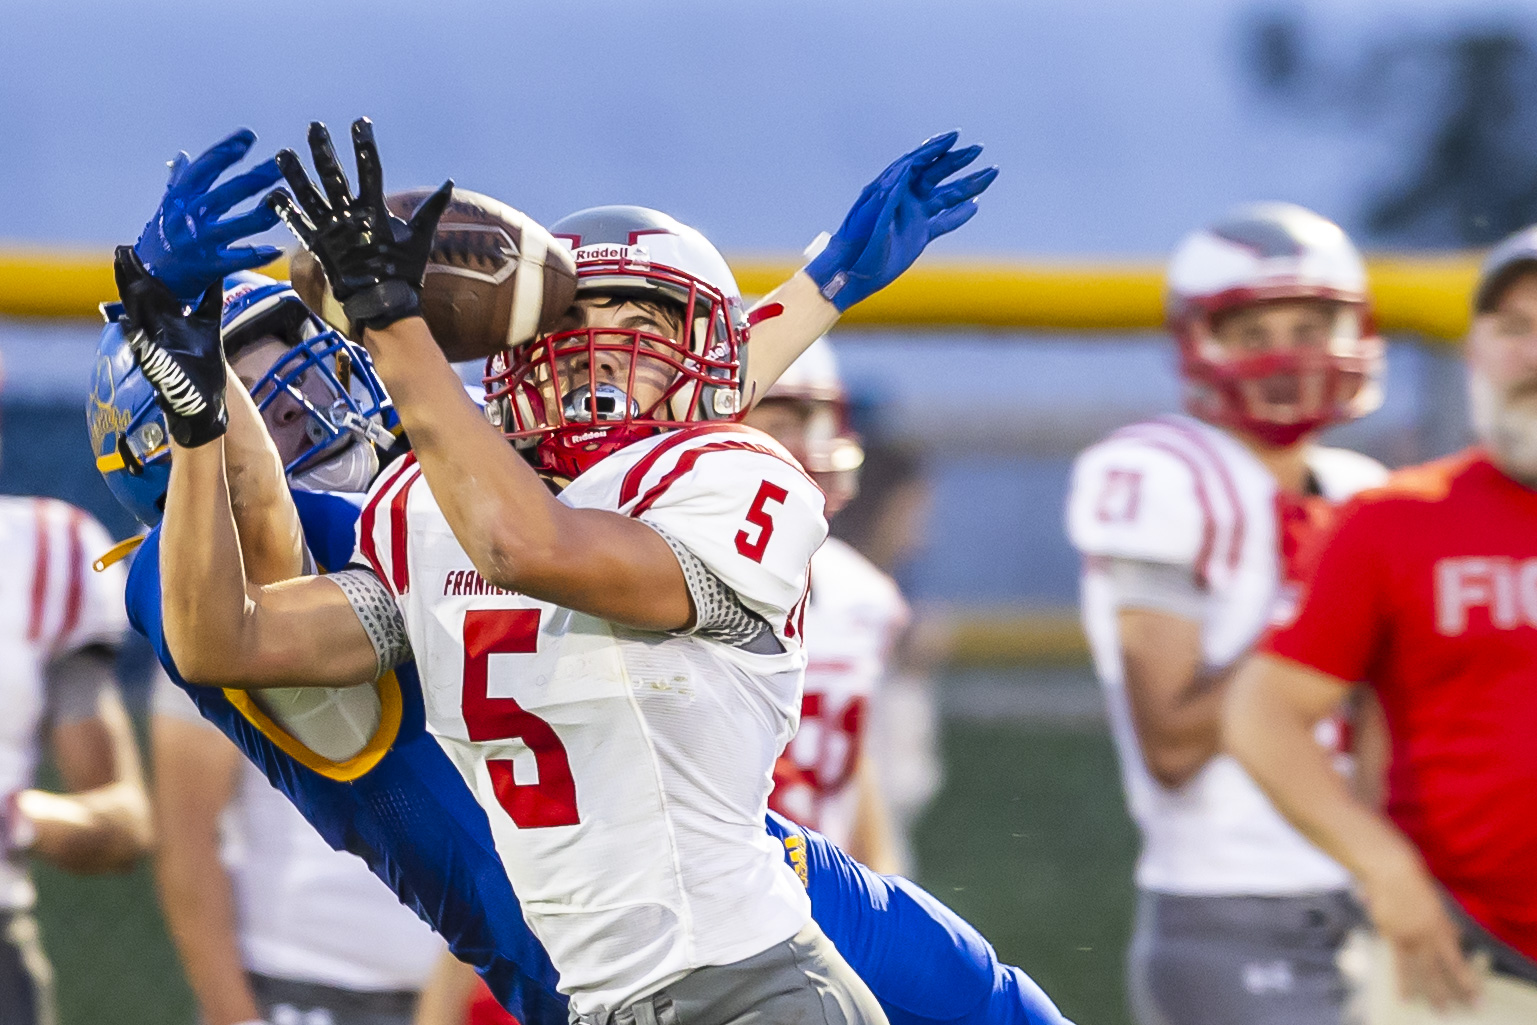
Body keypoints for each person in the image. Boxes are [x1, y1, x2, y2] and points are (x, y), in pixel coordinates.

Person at [116, 119, 1034, 1025]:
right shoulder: (393, 514)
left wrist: (822, 285)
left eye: (306, 377)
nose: (308, 409)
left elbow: (579, 482)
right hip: (594, 982)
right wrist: (204, 415)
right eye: (265, 402)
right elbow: (233, 618)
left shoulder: (712, 478)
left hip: (742, 943)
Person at [1064, 202, 1390, 1025]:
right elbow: (1171, 740)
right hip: (1234, 910)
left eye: (1311, 326)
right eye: (1257, 333)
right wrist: (1321, 609)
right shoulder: (1158, 474)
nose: (1287, 357)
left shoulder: (1365, 492)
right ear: (1201, 341)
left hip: (1380, 899)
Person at [1226, 223, 1537, 1023]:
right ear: (1474, 352)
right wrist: (1380, 865)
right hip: (1461, 970)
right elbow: (1263, 713)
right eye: (1512, 327)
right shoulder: (1394, 520)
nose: (1532, 352)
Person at [742, 337, 905, 873]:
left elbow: (852, 769)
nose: (798, 450)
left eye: (808, 424)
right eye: (774, 425)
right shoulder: (659, 579)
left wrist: (883, 894)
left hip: (822, 899)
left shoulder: (860, 594)